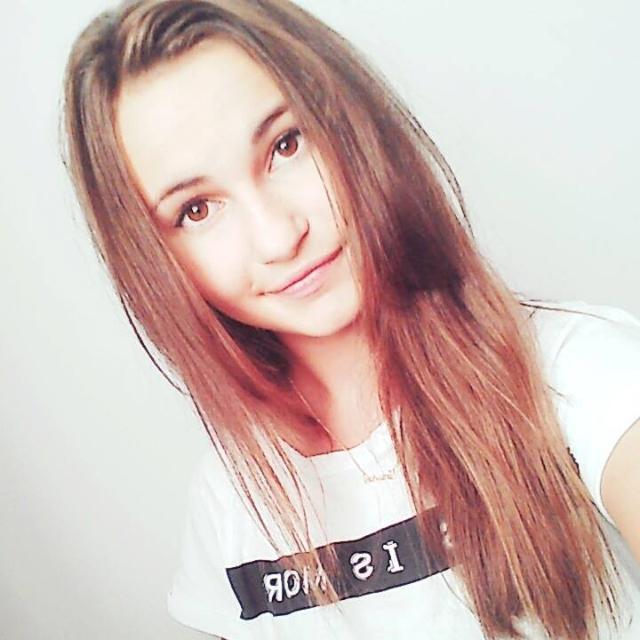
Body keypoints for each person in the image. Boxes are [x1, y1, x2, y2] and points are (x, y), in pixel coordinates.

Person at [61, 0, 640, 638]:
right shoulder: (231, 495)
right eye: (196, 209)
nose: (279, 236)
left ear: (351, 123)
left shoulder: (570, 372)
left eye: (286, 145)